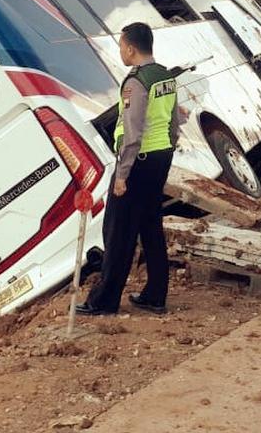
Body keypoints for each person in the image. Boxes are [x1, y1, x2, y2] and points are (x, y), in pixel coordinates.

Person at [77, 22, 186, 316]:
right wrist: (167, 150)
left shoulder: (136, 83)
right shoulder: (165, 76)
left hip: (138, 162)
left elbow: (133, 131)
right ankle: (155, 295)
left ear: (131, 48)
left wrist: (122, 175)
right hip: (160, 157)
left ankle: (104, 301)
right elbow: (174, 122)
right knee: (151, 227)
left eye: (121, 47)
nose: (120, 52)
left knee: (118, 232)